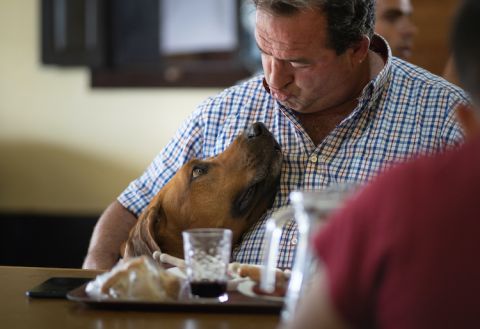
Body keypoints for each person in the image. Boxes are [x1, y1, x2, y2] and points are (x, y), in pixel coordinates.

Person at [83, 0, 467, 270]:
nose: (273, 78)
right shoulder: (220, 112)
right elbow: (133, 207)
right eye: (265, 50)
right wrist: (97, 287)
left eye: (298, 62)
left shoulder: (447, 118)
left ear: (355, 49)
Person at [283, 0, 480, 328]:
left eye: (298, 60)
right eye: (393, 16)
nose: (409, 29)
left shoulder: (401, 195)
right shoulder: (222, 111)